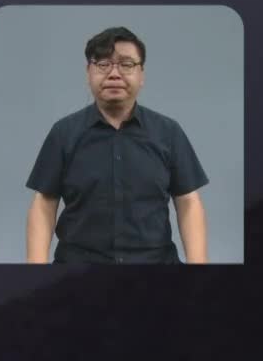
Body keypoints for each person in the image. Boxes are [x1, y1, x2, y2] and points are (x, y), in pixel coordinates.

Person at [24, 26, 209, 263]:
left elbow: (188, 202)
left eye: (126, 64)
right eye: (103, 64)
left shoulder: (168, 133)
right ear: (88, 72)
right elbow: (44, 203)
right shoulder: (64, 133)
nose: (114, 73)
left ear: (142, 74)